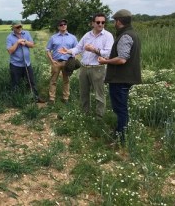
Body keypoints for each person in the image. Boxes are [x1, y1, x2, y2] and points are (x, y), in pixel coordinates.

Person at [98, 9, 141, 143]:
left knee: (120, 108)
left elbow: (122, 59)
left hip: (120, 79)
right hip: (125, 78)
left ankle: (121, 137)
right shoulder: (133, 34)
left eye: (115, 20)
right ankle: (120, 131)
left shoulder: (125, 36)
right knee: (121, 107)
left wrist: (105, 61)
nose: (114, 23)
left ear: (119, 21)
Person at [59, 13, 113, 118]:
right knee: (84, 93)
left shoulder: (108, 36)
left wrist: (93, 50)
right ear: (92, 23)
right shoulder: (87, 35)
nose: (101, 24)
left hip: (98, 68)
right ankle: (85, 115)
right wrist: (68, 51)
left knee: (99, 94)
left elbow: (107, 53)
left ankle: (99, 117)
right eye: (98, 22)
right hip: (84, 67)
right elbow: (78, 48)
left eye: (103, 22)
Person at [6, 20, 44, 103]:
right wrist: (17, 42)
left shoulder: (26, 33)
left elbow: (32, 45)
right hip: (15, 64)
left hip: (27, 63)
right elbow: (10, 51)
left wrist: (25, 42)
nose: (20, 28)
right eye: (17, 27)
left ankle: (35, 97)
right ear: (13, 28)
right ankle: (15, 100)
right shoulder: (9, 37)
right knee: (15, 83)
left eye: (20, 26)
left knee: (31, 82)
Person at [46, 19, 78, 104]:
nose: (63, 25)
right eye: (61, 24)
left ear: (66, 25)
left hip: (67, 62)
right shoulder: (53, 37)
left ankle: (65, 98)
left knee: (66, 80)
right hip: (56, 62)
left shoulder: (73, 37)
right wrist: (52, 60)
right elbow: (48, 49)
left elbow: (77, 50)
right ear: (58, 27)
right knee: (53, 81)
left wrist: (73, 61)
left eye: (65, 24)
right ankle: (52, 98)